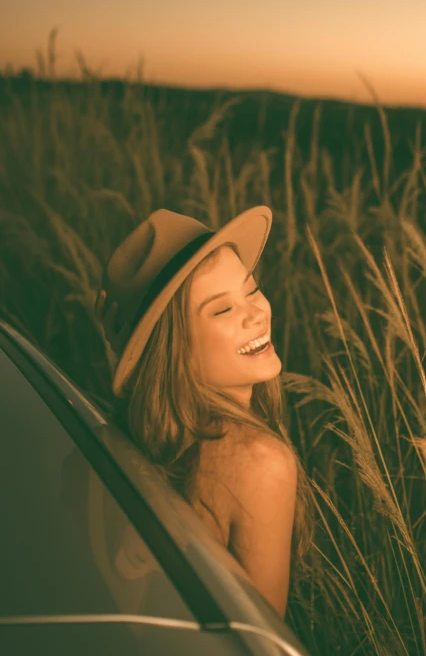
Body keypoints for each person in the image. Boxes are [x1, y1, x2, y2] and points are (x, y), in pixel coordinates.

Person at [94, 205, 314, 619]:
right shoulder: (258, 463)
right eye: (222, 310)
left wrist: (134, 355)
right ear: (172, 347)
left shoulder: (136, 433)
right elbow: (259, 644)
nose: (256, 313)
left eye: (251, 289)